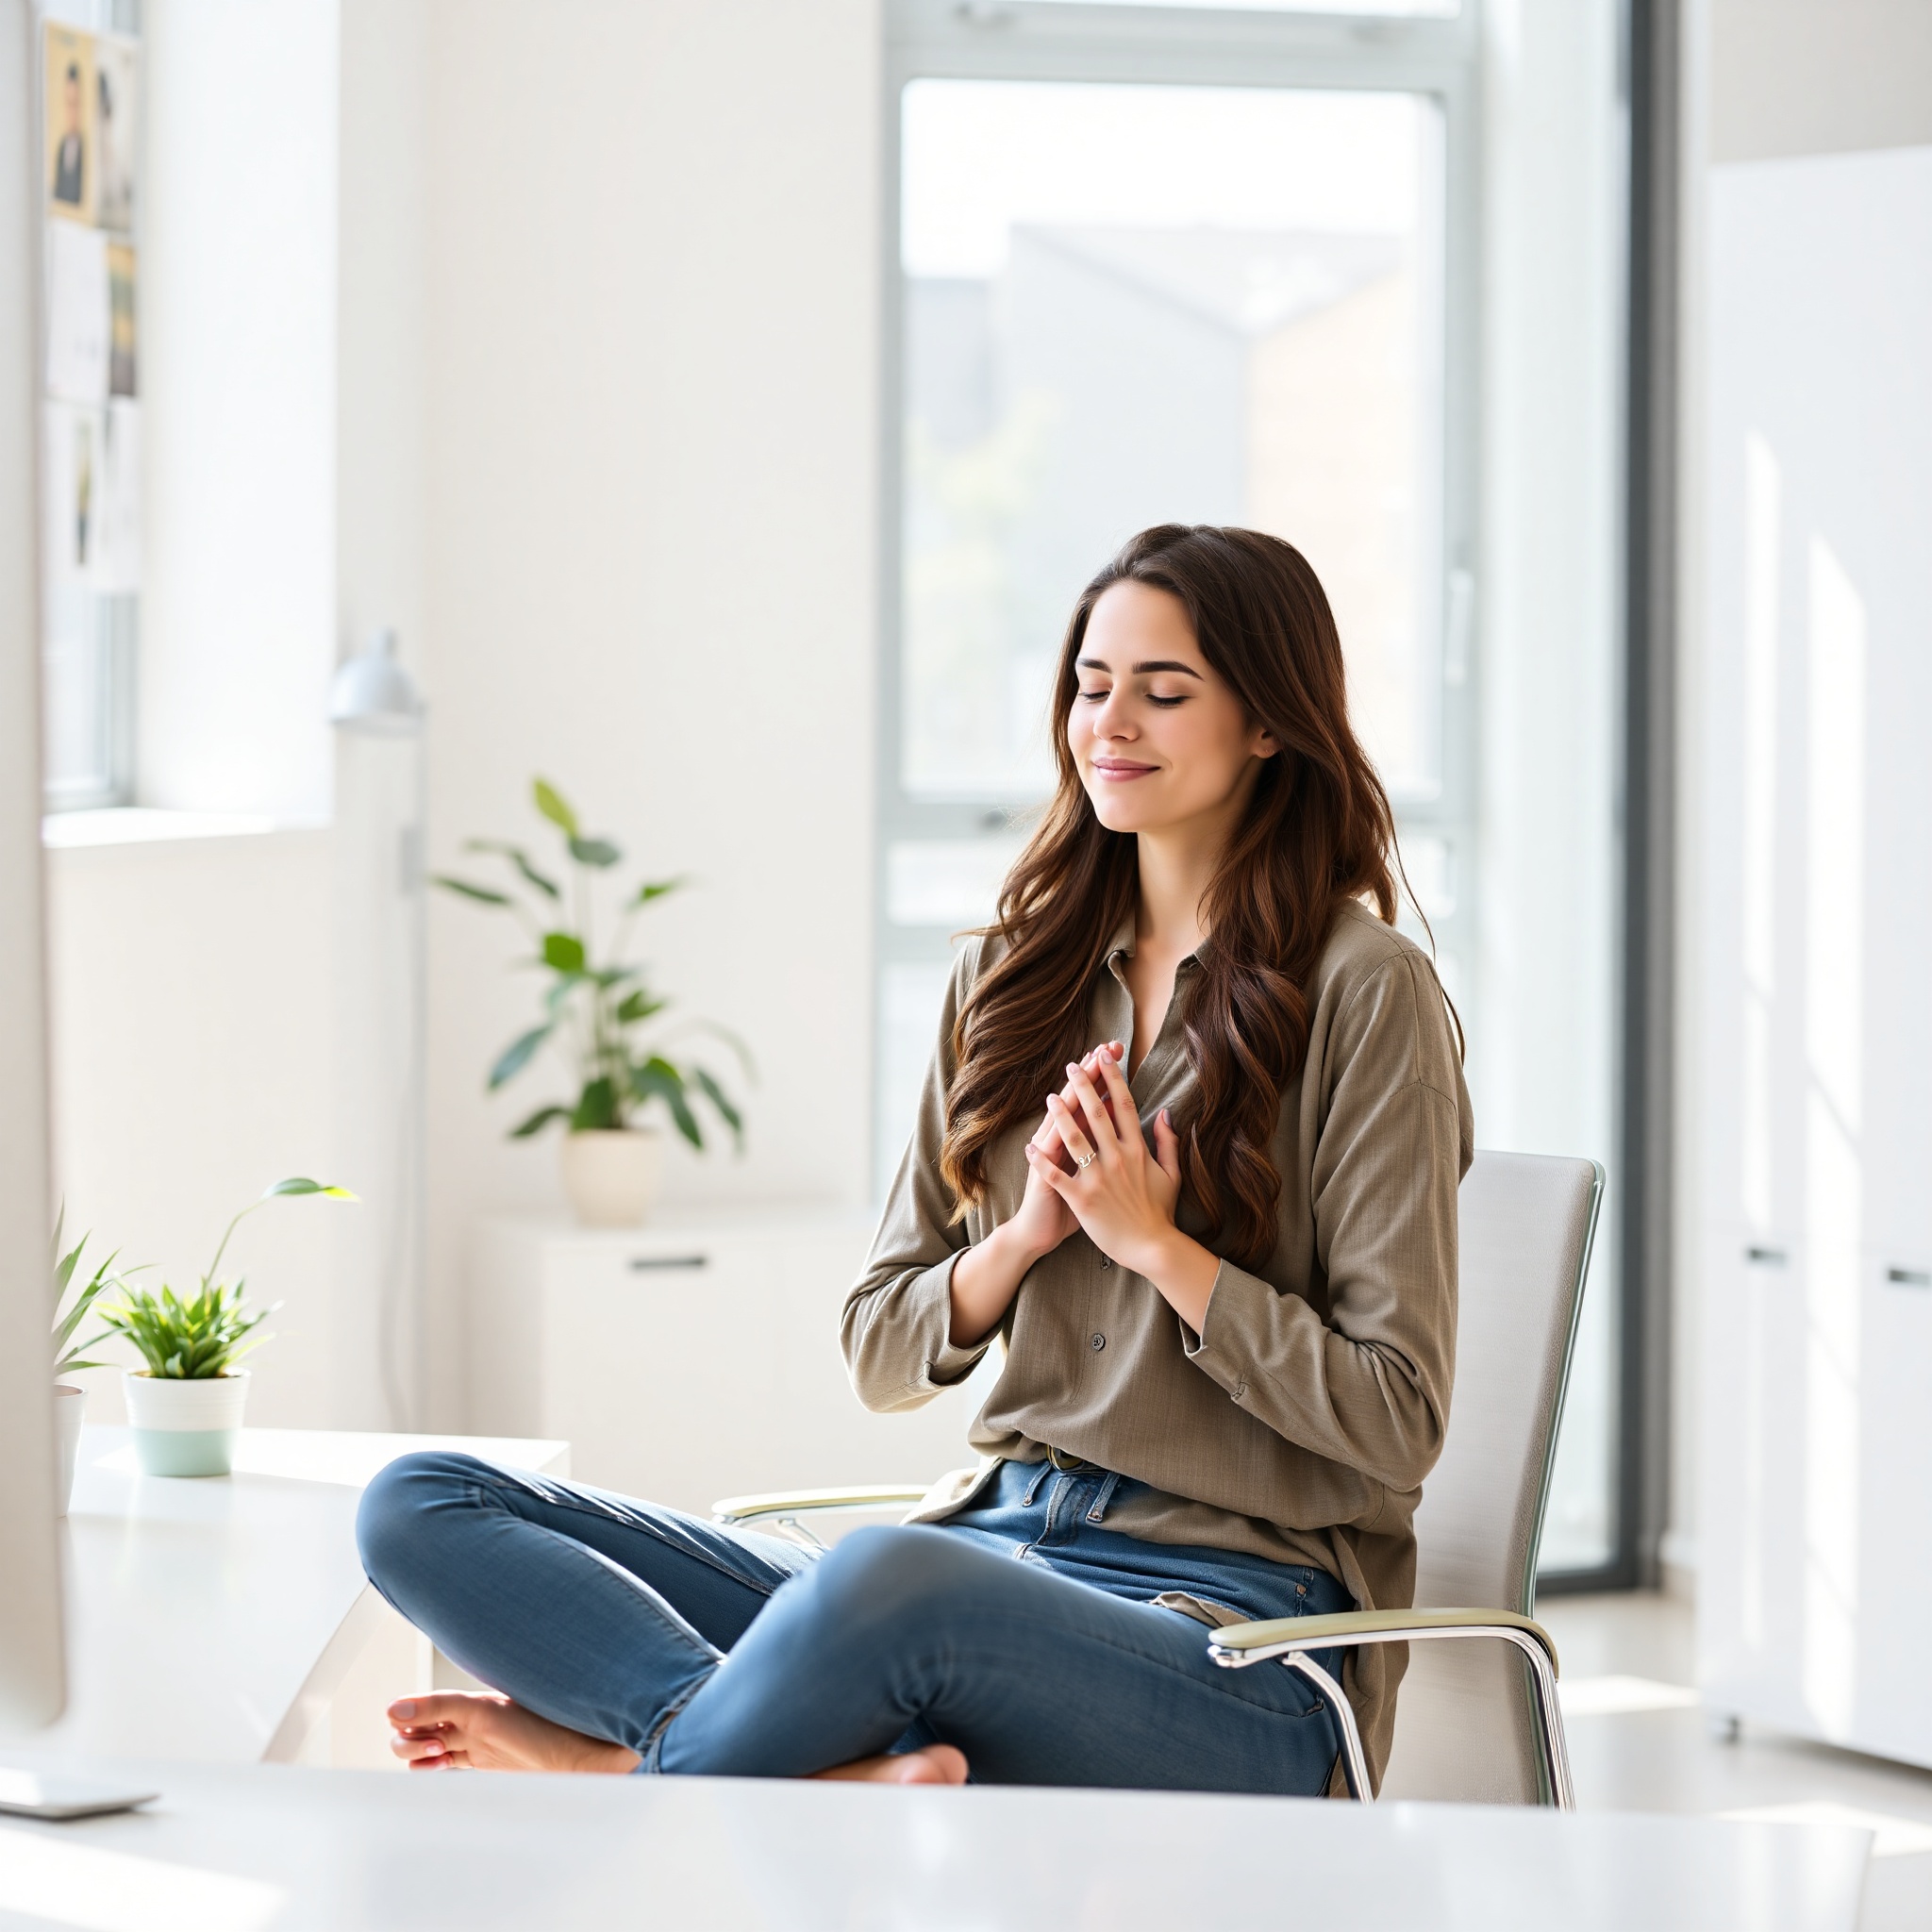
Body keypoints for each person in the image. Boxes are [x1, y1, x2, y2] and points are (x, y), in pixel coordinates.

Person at [356, 524, 1470, 1793]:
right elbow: (881, 1347)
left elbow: (1397, 1422)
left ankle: (633, 1772)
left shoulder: (1367, 994)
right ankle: (745, 1755)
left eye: (1165, 692)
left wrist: (1160, 1250)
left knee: (889, 1578)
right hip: (991, 1559)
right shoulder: (1007, 980)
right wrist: (1024, 1240)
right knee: (421, 1499)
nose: (1112, 722)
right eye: (1090, 686)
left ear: (1270, 725)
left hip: (1232, 1642)